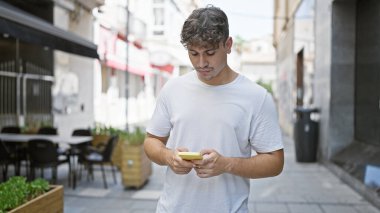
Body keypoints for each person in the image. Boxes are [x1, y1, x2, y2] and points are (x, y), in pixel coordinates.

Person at [144, 5, 284, 213]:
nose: (201, 63)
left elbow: (275, 162)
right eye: (193, 53)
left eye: (210, 53)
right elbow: (151, 141)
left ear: (228, 45)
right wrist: (168, 157)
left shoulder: (256, 97)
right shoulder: (173, 89)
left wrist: (226, 164)